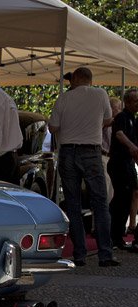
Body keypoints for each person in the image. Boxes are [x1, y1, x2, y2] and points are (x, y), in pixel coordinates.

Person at [49, 67, 118, 267]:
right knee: (100, 202)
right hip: (92, 151)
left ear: (77, 79)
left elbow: (52, 127)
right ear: (90, 79)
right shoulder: (100, 94)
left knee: (73, 203)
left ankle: (79, 254)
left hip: (68, 151)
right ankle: (105, 253)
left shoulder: (64, 98)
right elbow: (107, 119)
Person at [106, 88, 138, 252]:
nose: (137, 105)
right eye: (135, 101)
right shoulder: (122, 117)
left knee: (128, 198)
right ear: (127, 102)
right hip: (119, 162)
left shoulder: (133, 119)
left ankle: (118, 235)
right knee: (120, 200)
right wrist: (132, 147)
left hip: (128, 163)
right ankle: (113, 236)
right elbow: (119, 134)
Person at [101, 96, 123, 204]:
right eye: (117, 108)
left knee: (112, 190)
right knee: (105, 188)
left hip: (112, 158)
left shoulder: (118, 123)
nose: (119, 110)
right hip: (103, 156)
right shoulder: (105, 122)